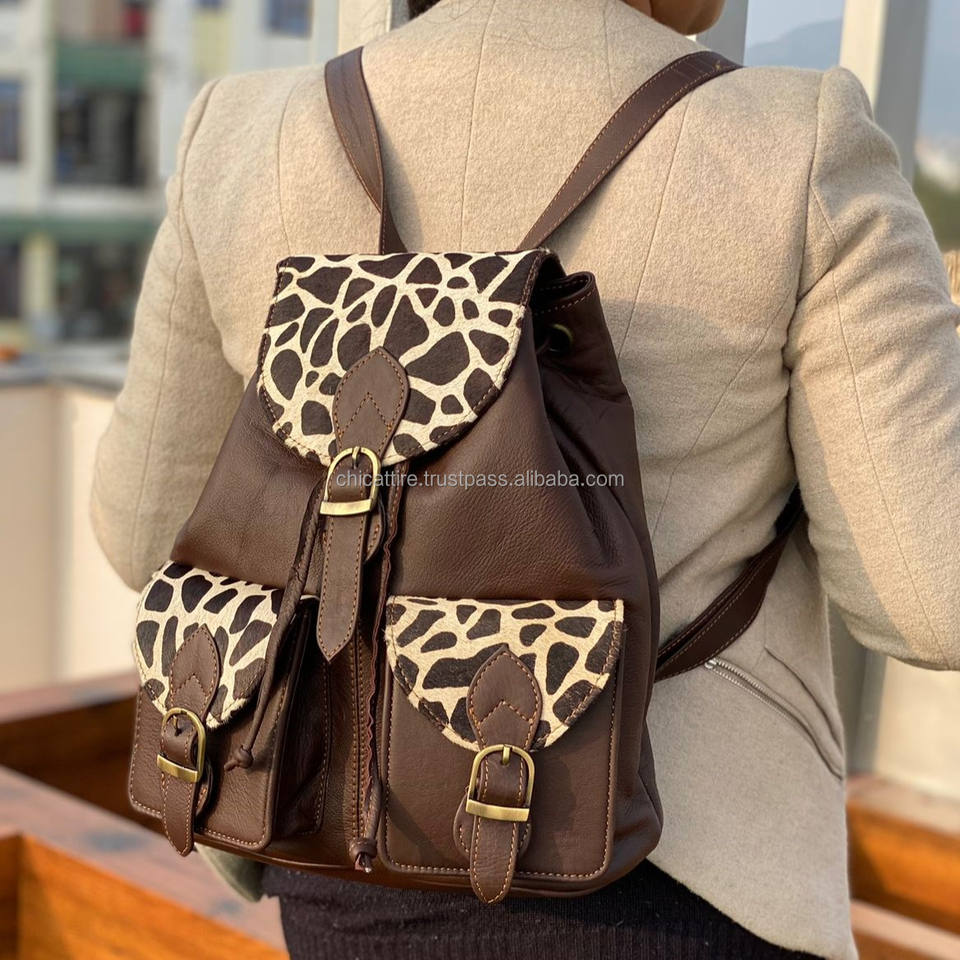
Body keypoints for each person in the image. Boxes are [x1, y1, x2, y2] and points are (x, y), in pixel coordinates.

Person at [91, 0, 960, 958]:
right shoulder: (800, 140)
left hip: (331, 831)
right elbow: (929, 601)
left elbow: (143, 534)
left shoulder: (243, 132)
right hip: (686, 871)